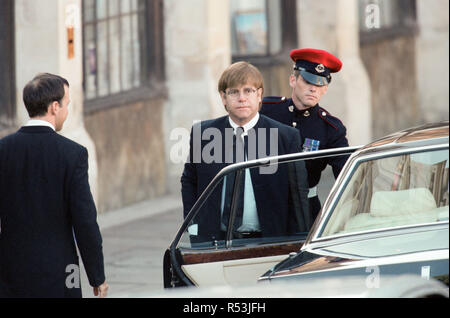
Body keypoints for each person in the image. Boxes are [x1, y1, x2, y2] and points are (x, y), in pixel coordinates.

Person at [0, 73, 108, 298]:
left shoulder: (4, 149)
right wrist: (97, 277)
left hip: (10, 273)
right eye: (67, 104)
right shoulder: (73, 154)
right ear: (55, 107)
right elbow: (85, 221)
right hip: (58, 276)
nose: (68, 112)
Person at [181, 62, 309, 242]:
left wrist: (297, 239)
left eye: (248, 91)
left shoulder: (285, 137)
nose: (242, 98)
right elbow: (189, 180)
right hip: (213, 241)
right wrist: (192, 223)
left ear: (259, 95)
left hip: (270, 241)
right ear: (223, 97)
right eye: (234, 92)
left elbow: (297, 194)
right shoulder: (203, 134)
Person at [260, 48, 350, 220]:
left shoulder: (330, 128)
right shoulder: (266, 110)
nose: (313, 89)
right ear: (293, 80)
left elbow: (347, 176)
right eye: (308, 82)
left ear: (325, 88)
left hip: (305, 211)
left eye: (320, 84)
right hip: (265, 207)